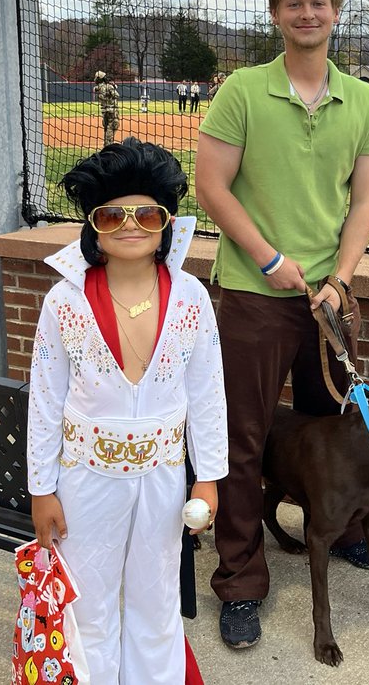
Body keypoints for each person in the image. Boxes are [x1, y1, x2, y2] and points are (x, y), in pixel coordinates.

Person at [195, 0, 369, 651]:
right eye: (294, 3)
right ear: (276, 14)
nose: (308, 13)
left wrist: (341, 278)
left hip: (327, 302)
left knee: (336, 435)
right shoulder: (243, 91)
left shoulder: (362, 101)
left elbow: (363, 202)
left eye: (319, 2)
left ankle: (337, 533)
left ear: (336, 12)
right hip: (255, 296)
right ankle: (240, 581)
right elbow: (211, 187)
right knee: (243, 440)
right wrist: (269, 259)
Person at [27, 137, 229, 683]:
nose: (130, 226)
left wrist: (208, 478)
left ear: (167, 223)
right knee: (85, 601)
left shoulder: (190, 298)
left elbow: (208, 394)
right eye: (112, 215)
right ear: (93, 226)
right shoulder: (64, 301)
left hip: (163, 478)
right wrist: (42, 489)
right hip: (84, 480)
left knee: (157, 597)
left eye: (147, 214)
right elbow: (44, 400)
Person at [93, 70, 120, 143]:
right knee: (112, 127)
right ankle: (109, 144)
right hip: (112, 110)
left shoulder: (98, 87)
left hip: (104, 111)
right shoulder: (109, 86)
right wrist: (113, 86)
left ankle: (106, 143)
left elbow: (96, 89)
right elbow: (116, 95)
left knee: (106, 128)